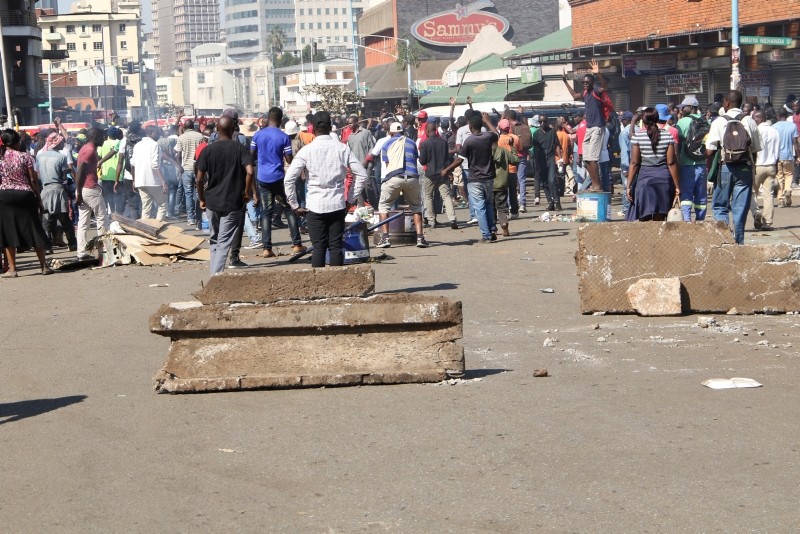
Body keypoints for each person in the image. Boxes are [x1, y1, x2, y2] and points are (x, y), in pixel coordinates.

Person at [285, 111, 369, 268]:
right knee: (336, 246)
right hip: (337, 205)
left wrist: (294, 205)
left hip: (314, 206)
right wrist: (350, 199)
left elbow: (289, 179)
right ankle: (337, 288)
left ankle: (319, 287)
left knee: (318, 248)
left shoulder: (306, 151)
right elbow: (362, 175)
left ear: (313, 129)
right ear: (331, 128)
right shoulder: (342, 149)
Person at [196, 116, 255, 275]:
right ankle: (216, 277)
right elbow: (250, 171)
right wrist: (246, 192)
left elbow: (199, 178)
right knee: (223, 242)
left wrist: (201, 198)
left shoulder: (208, 150)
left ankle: (214, 274)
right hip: (233, 201)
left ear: (217, 130)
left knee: (214, 239)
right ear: (233, 130)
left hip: (211, 201)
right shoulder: (240, 149)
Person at [706, 90, 762, 244]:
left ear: (727, 103)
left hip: (724, 168)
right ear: (741, 103)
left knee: (720, 206)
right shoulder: (749, 121)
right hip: (745, 168)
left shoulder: (719, 121)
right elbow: (756, 148)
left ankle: (725, 241)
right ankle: (739, 244)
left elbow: (709, 150)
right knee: (740, 208)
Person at [250, 107, 305, 259]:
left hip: (262, 178)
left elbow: (251, 155)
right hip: (279, 177)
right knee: (288, 208)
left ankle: (267, 248)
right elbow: (288, 159)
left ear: (268, 118)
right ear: (281, 120)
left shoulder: (257, 135)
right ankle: (296, 244)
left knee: (266, 212)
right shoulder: (283, 137)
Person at [0, 129, 52, 276]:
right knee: (34, 228)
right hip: (25, 194)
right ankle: (44, 267)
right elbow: (33, 179)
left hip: (5, 195)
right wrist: (38, 198)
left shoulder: (1, 158)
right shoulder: (26, 157)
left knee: (8, 232)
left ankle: (13, 269)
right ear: (17, 142)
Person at [441, 112, 498, 243]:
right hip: (489, 177)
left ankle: (486, 235)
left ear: (471, 127)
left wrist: (447, 169)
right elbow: (497, 134)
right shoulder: (488, 136)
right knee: (488, 203)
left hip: (475, 178)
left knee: (480, 207)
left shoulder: (469, 141)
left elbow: (459, 160)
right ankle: (492, 229)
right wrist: (488, 121)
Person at [375, 122, 429, 248]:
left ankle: (385, 238)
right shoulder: (411, 142)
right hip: (412, 178)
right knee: (416, 207)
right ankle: (420, 238)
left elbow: (388, 166)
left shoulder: (386, 144)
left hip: (394, 177)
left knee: (383, 206)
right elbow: (416, 159)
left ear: (391, 132)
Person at [625, 108, 680, 221]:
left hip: (645, 180)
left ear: (643, 121)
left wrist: (628, 185)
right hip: (664, 180)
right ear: (657, 119)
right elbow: (671, 163)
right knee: (660, 219)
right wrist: (677, 186)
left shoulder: (638, 137)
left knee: (644, 218)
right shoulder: (667, 136)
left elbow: (634, 163)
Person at [563, 60, 606, 191]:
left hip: (597, 127)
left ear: (592, 83)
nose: (585, 84)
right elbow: (575, 95)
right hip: (589, 127)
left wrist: (598, 74)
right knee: (586, 159)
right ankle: (594, 183)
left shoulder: (595, 91)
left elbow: (605, 88)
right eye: (584, 83)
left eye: (587, 82)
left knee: (592, 158)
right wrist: (565, 82)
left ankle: (597, 185)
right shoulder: (585, 93)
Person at [37, 132, 76, 252]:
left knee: (46, 219)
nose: (63, 145)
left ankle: (47, 247)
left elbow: (38, 174)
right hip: (58, 189)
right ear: (56, 143)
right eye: (61, 142)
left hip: (45, 189)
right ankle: (72, 244)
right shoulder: (61, 157)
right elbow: (63, 175)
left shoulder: (40, 156)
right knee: (64, 218)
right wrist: (68, 171)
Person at [75, 128, 108, 259]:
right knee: (102, 219)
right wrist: (78, 193)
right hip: (90, 190)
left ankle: (81, 253)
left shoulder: (85, 148)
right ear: (95, 137)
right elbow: (80, 171)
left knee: (83, 223)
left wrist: (79, 192)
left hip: (85, 189)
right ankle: (103, 251)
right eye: (102, 137)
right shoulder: (90, 150)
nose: (104, 139)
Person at [675, 96, 708, 221]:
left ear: (692, 107)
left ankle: (687, 222)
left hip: (686, 164)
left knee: (687, 196)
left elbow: (677, 146)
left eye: (684, 107)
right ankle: (700, 221)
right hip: (702, 163)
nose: (681, 109)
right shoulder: (706, 121)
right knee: (701, 197)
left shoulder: (682, 122)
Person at [419, 121, 458, 229]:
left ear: (427, 131)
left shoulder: (424, 144)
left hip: (430, 174)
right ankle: (452, 219)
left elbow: (422, 161)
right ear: (435, 130)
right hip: (442, 173)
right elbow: (446, 158)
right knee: (446, 196)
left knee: (428, 196)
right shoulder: (443, 142)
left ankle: (431, 221)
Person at [749, 111, 779, 231]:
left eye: (754, 118)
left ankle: (756, 212)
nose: (753, 120)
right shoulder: (775, 131)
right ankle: (767, 223)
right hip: (771, 165)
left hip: (758, 166)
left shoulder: (757, 131)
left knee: (751, 192)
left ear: (760, 118)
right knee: (768, 195)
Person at [131, 125, 168, 221]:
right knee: (162, 205)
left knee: (146, 207)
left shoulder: (137, 145)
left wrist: (134, 180)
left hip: (141, 181)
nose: (159, 135)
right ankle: (159, 228)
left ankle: (145, 230)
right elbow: (155, 164)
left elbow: (133, 164)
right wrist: (163, 181)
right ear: (149, 133)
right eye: (157, 133)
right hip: (154, 181)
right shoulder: (154, 145)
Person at [174, 118, 204, 226]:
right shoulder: (200, 136)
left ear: (185, 127)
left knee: (188, 194)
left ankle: (190, 218)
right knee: (199, 194)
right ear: (193, 126)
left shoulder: (181, 138)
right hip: (199, 169)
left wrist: (179, 167)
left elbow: (178, 155)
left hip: (186, 169)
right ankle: (198, 218)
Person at [532, 115, 562, 211]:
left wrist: (560, 159)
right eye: (540, 122)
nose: (542, 124)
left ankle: (557, 201)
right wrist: (536, 163)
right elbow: (535, 149)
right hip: (540, 160)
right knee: (544, 183)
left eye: (544, 121)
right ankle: (550, 202)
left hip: (550, 158)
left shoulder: (552, 132)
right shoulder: (536, 134)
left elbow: (557, 145)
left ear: (547, 121)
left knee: (552, 181)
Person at [492, 132, 519, 237]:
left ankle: (493, 229)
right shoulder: (504, 151)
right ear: (497, 140)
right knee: (502, 207)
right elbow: (515, 160)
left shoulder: (485, 152)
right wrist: (512, 147)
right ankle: (504, 224)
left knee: (492, 208)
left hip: (490, 184)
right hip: (502, 183)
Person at [773, 107, 799, 208]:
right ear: (787, 116)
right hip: (788, 156)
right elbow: (795, 142)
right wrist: (798, 156)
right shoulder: (792, 126)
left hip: (777, 156)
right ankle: (788, 190)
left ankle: (780, 199)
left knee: (779, 176)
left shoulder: (774, 127)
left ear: (777, 116)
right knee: (789, 175)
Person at [497, 118, 521, 217]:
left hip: (502, 169)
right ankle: (514, 212)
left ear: (500, 127)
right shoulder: (515, 138)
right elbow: (520, 149)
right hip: (512, 168)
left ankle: (504, 211)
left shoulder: (498, 139)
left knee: (503, 192)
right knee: (513, 191)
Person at [97, 126, 123, 214]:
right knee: (119, 197)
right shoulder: (120, 142)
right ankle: (119, 214)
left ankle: (112, 213)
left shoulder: (102, 144)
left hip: (106, 175)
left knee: (109, 197)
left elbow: (98, 157)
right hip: (119, 175)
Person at [618, 111, 635, 217]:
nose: (622, 122)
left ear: (627, 120)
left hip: (629, 164)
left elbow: (624, 152)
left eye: (623, 120)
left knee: (626, 187)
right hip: (639, 164)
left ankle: (626, 209)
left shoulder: (624, 133)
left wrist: (625, 168)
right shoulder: (639, 130)